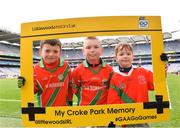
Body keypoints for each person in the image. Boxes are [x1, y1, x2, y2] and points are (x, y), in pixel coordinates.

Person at [107, 42, 154, 127]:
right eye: (121, 54)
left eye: (128, 54)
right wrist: (114, 119)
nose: (125, 56)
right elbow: (113, 101)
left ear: (133, 56)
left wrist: (162, 66)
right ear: (116, 58)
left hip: (142, 117)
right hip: (125, 120)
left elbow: (156, 83)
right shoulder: (114, 77)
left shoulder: (143, 72)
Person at [18, 39, 72, 107]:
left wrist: (70, 104)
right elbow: (32, 91)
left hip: (63, 112)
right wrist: (25, 84)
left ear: (60, 52)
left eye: (55, 51)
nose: (51, 54)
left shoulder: (66, 67)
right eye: (47, 51)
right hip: (44, 113)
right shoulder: (34, 69)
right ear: (40, 51)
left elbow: (70, 87)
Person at [72, 36, 113, 106]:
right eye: (88, 47)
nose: (92, 50)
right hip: (84, 112)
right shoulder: (77, 71)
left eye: (96, 47)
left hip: (104, 112)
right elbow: (74, 90)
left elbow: (112, 91)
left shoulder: (109, 70)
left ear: (102, 50)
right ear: (83, 51)